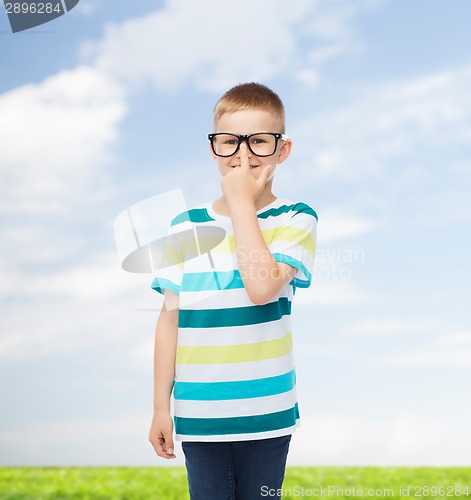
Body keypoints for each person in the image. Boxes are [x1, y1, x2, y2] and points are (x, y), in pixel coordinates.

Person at [148, 82, 318, 500]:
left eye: (258, 142)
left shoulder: (296, 217)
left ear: (283, 149)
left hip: (266, 412)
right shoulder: (184, 225)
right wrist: (159, 407)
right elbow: (170, 319)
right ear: (214, 149)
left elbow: (261, 287)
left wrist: (242, 205)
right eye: (229, 143)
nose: (243, 155)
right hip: (199, 413)